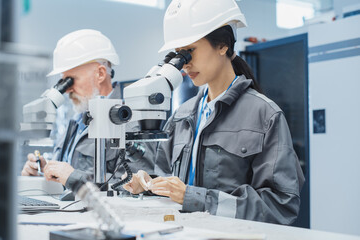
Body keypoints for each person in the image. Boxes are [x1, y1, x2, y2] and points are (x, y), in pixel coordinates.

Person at [124, 0, 305, 225]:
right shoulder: (182, 116)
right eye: (179, 54)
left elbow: (280, 206)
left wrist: (197, 198)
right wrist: (149, 184)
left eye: (189, 52)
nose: (185, 64)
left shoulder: (264, 115)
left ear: (223, 45)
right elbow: (169, 184)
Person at [21, 29, 154, 189]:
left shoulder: (131, 122)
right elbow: (68, 176)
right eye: (63, 82)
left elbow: (138, 189)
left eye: (71, 80)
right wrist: (44, 172)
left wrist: (73, 178)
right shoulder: (78, 120)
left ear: (100, 74)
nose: (67, 89)